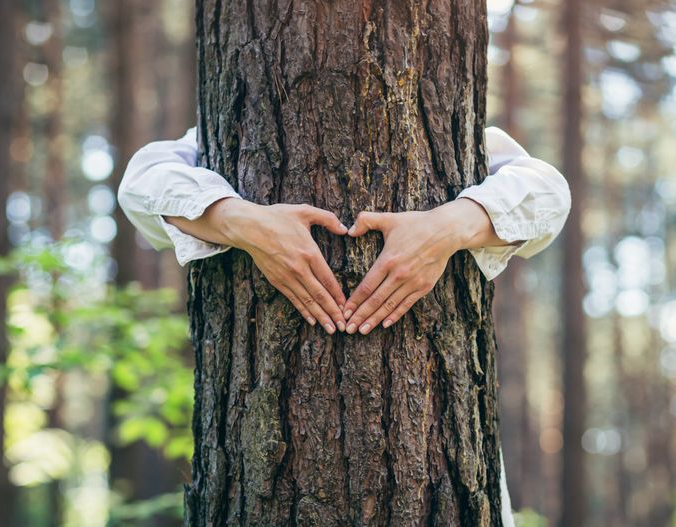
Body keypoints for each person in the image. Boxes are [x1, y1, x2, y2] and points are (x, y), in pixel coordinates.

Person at [117, 124, 571, 524]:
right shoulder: (221, 134)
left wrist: (449, 226)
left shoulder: (461, 135)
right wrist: (241, 221)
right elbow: (141, 182)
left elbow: (550, 192)